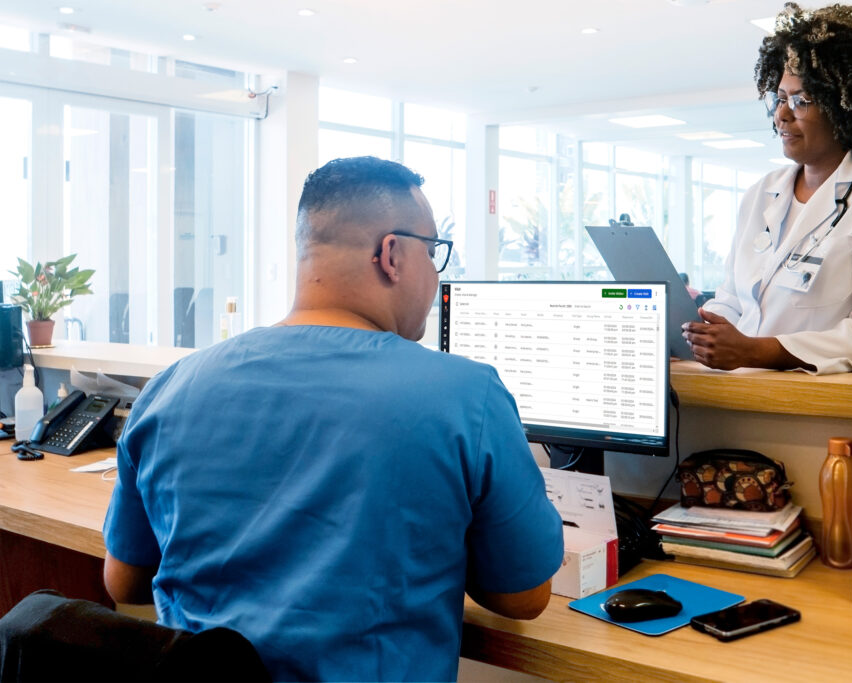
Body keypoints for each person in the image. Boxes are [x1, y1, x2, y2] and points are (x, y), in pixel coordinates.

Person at [102, 156, 564, 682]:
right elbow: (524, 596)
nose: (436, 274)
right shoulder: (466, 395)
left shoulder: (170, 387)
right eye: (433, 253)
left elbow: (125, 583)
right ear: (391, 254)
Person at [683, 3, 852, 374]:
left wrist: (759, 352)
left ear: (848, 107)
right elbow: (733, 301)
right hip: (738, 396)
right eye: (779, 98)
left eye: (801, 101)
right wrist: (699, 334)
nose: (781, 114)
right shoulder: (762, 193)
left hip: (817, 413)